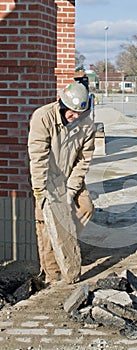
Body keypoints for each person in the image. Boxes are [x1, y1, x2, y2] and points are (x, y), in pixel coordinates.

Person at [28, 82, 96, 284]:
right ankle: (52, 274)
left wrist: (71, 189)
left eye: (79, 113)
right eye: (72, 113)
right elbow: (38, 157)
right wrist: (40, 190)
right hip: (48, 179)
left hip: (70, 176)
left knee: (86, 208)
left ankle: (66, 246)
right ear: (62, 105)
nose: (75, 117)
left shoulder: (86, 124)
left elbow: (84, 160)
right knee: (47, 225)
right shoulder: (43, 117)